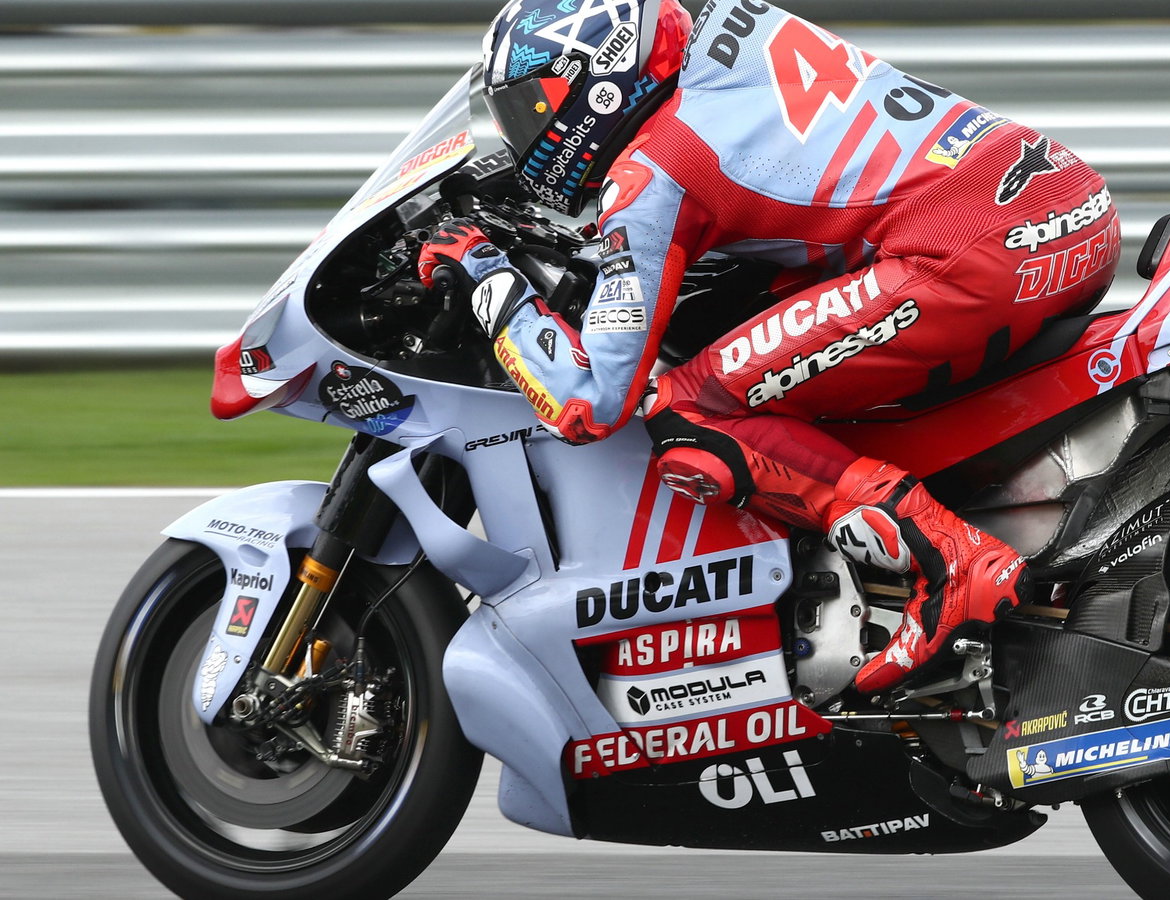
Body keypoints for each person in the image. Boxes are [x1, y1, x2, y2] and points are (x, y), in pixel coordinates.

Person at [418, 0, 1120, 694]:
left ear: (594, 85)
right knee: (759, 336)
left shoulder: (652, 174)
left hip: (971, 257)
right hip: (1070, 208)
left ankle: (951, 561)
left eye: (533, 109)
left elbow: (590, 402)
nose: (526, 133)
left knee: (690, 410)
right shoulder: (739, 25)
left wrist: (486, 275)